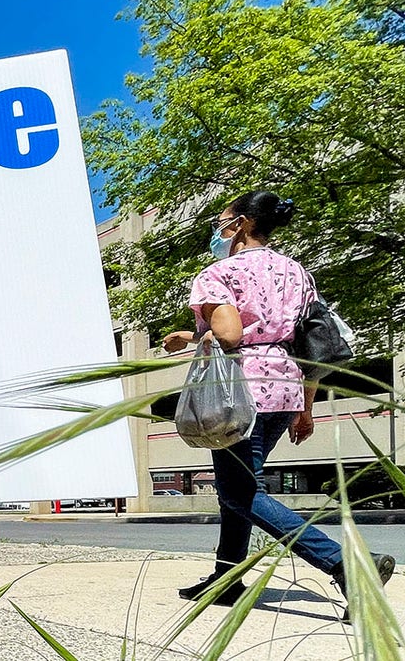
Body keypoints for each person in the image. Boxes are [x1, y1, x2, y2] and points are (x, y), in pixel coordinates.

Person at [161, 190, 394, 618]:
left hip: (241, 390)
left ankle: (348, 566)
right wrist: (305, 406)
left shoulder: (219, 273)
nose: (217, 229)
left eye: (222, 221)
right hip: (285, 387)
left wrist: (188, 337)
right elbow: (315, 344)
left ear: (243, 224)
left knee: (241, 493)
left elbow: (229, 337)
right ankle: (226, 578)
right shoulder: (298, 273)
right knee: (239, 486)